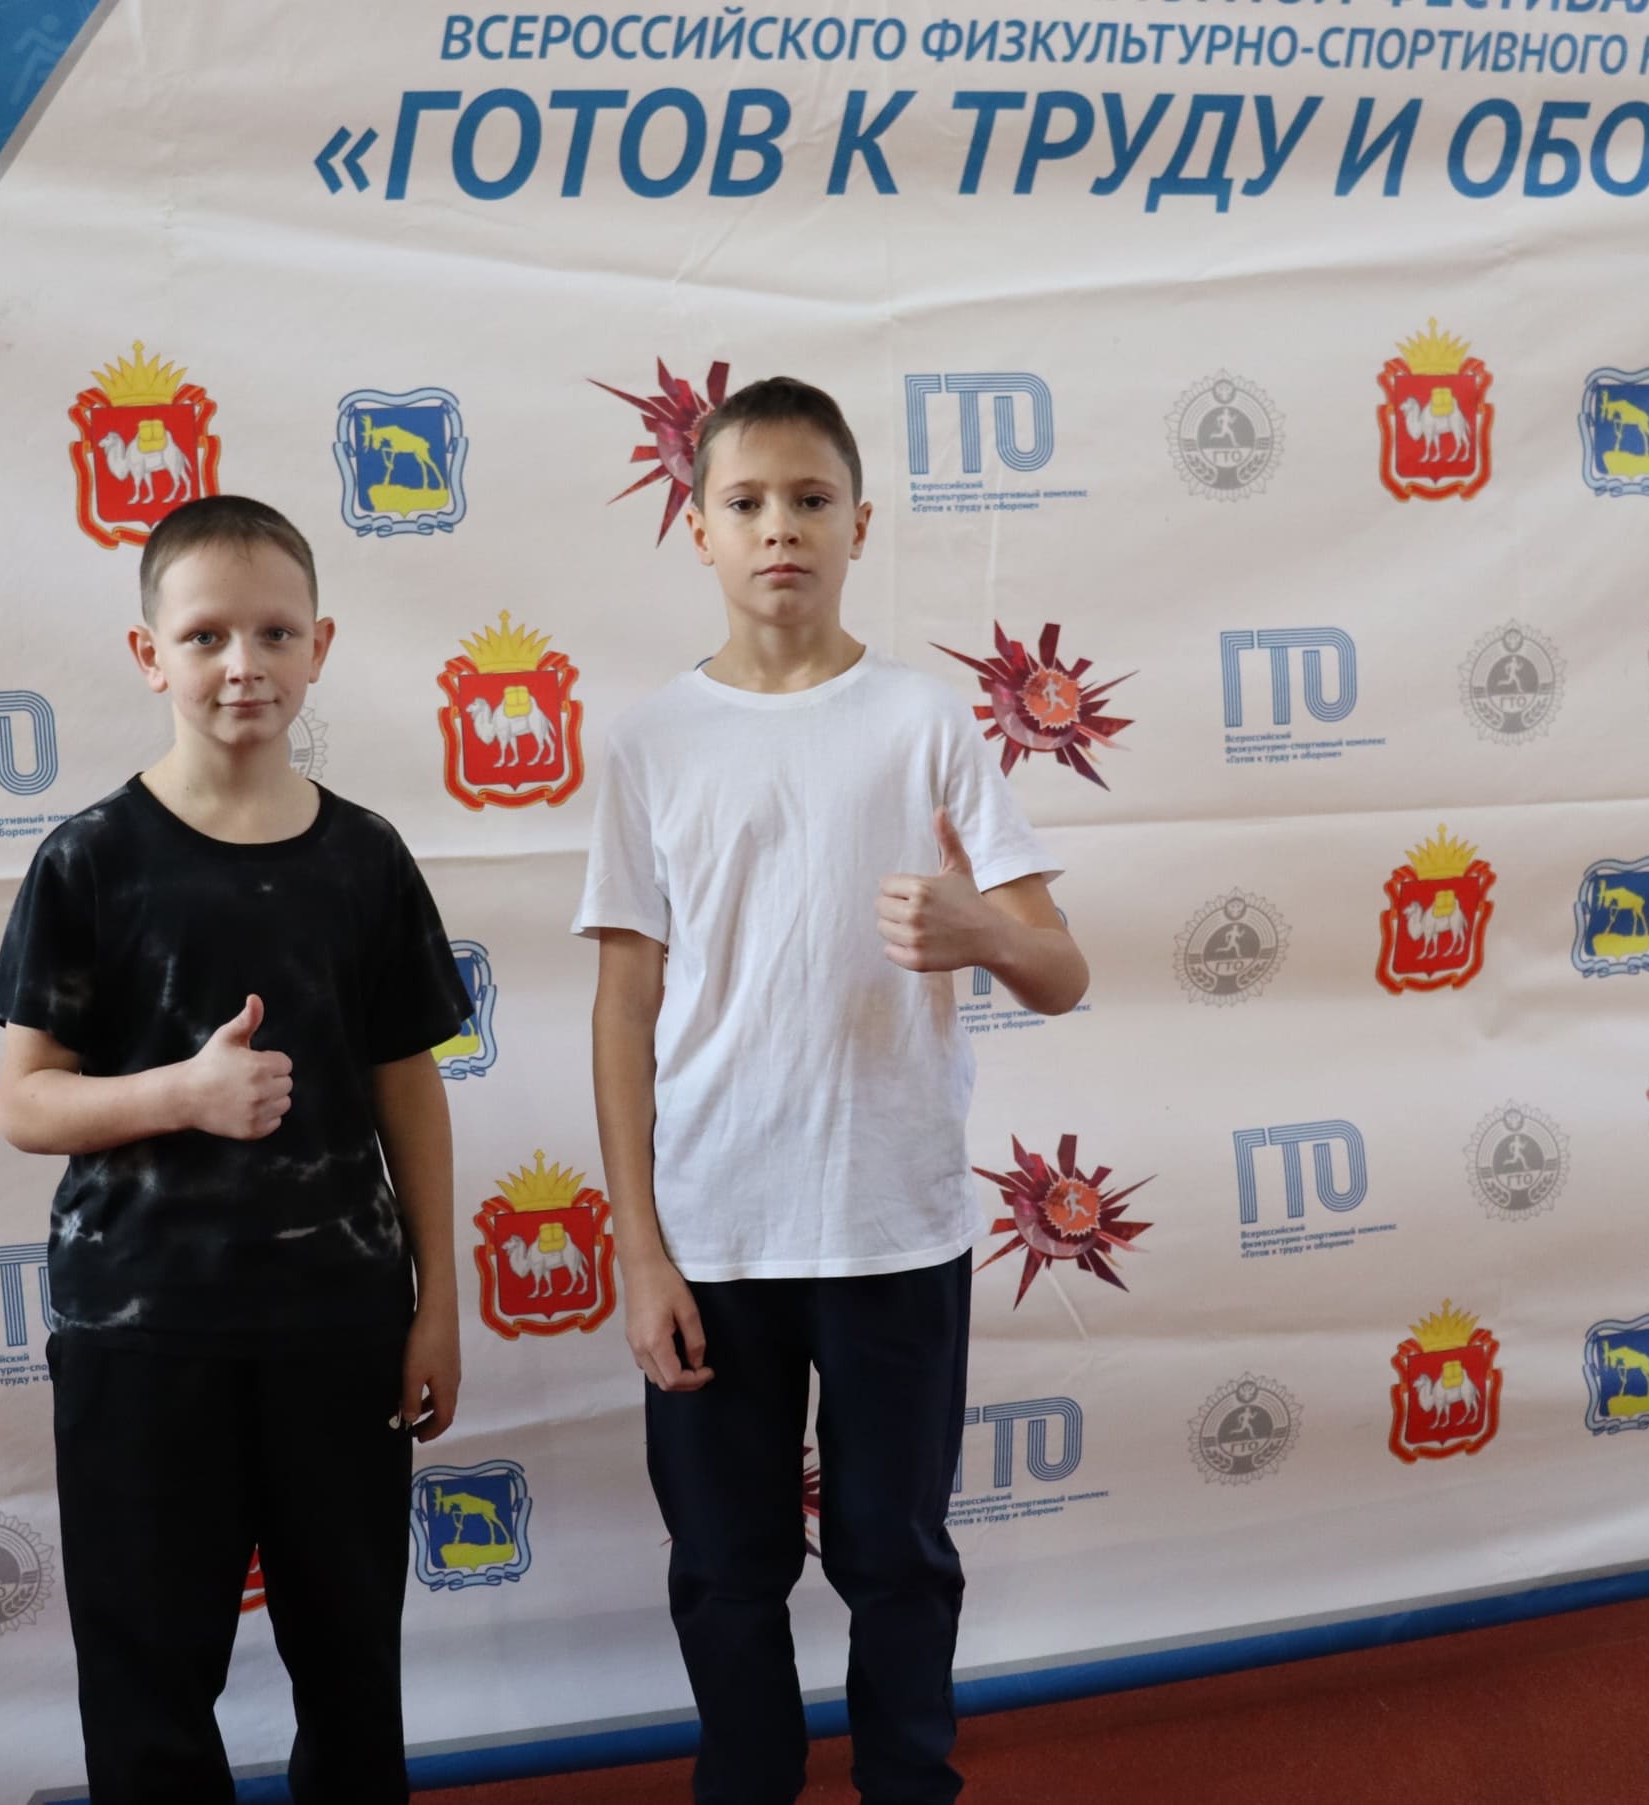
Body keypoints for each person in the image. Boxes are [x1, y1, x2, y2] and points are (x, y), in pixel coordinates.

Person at [575, 377, 1090, 1803]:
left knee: (898, 1558)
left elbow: (1060, 969)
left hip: (892, 1230)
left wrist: (981, 929)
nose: (779, 528)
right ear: (698, 529)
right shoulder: (651, 741)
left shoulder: (926, 722)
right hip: (713, 1238)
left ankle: (908, 1785)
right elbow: (623, 1008)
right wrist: (639, 1247)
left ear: (862, 523)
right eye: (745, 502)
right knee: (724, 1567)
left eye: (810, 500)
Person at [0, 494, 469, 1804]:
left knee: (353, 1673)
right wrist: (181, 1094)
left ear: (321, 645)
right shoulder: (89, 859)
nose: (242, 663)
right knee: (148, 1689)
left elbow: (409, 1084)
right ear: (150, 655)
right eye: (204, 636)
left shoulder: (366, 858)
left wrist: (437, 1301)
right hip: (142, 1342)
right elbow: (24, 1102)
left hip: (340, 1332)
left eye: (274, 633)